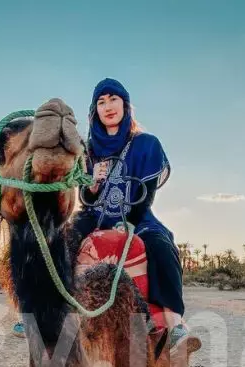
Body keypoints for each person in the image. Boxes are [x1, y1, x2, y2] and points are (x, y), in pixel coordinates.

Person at [74, 78, 189, 346]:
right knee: (60, 242)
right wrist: (92, 184)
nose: (108, 107)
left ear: (125, 105)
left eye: (113, 99)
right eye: (101, 102)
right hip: (95, 217)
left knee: (160, 245)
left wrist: (130, 223)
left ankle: (174, 323)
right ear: (95, 111)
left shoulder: (146, 144)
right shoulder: (87, 153)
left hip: (137, 214)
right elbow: (84, 199)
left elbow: (147, 193)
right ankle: (44, 313)